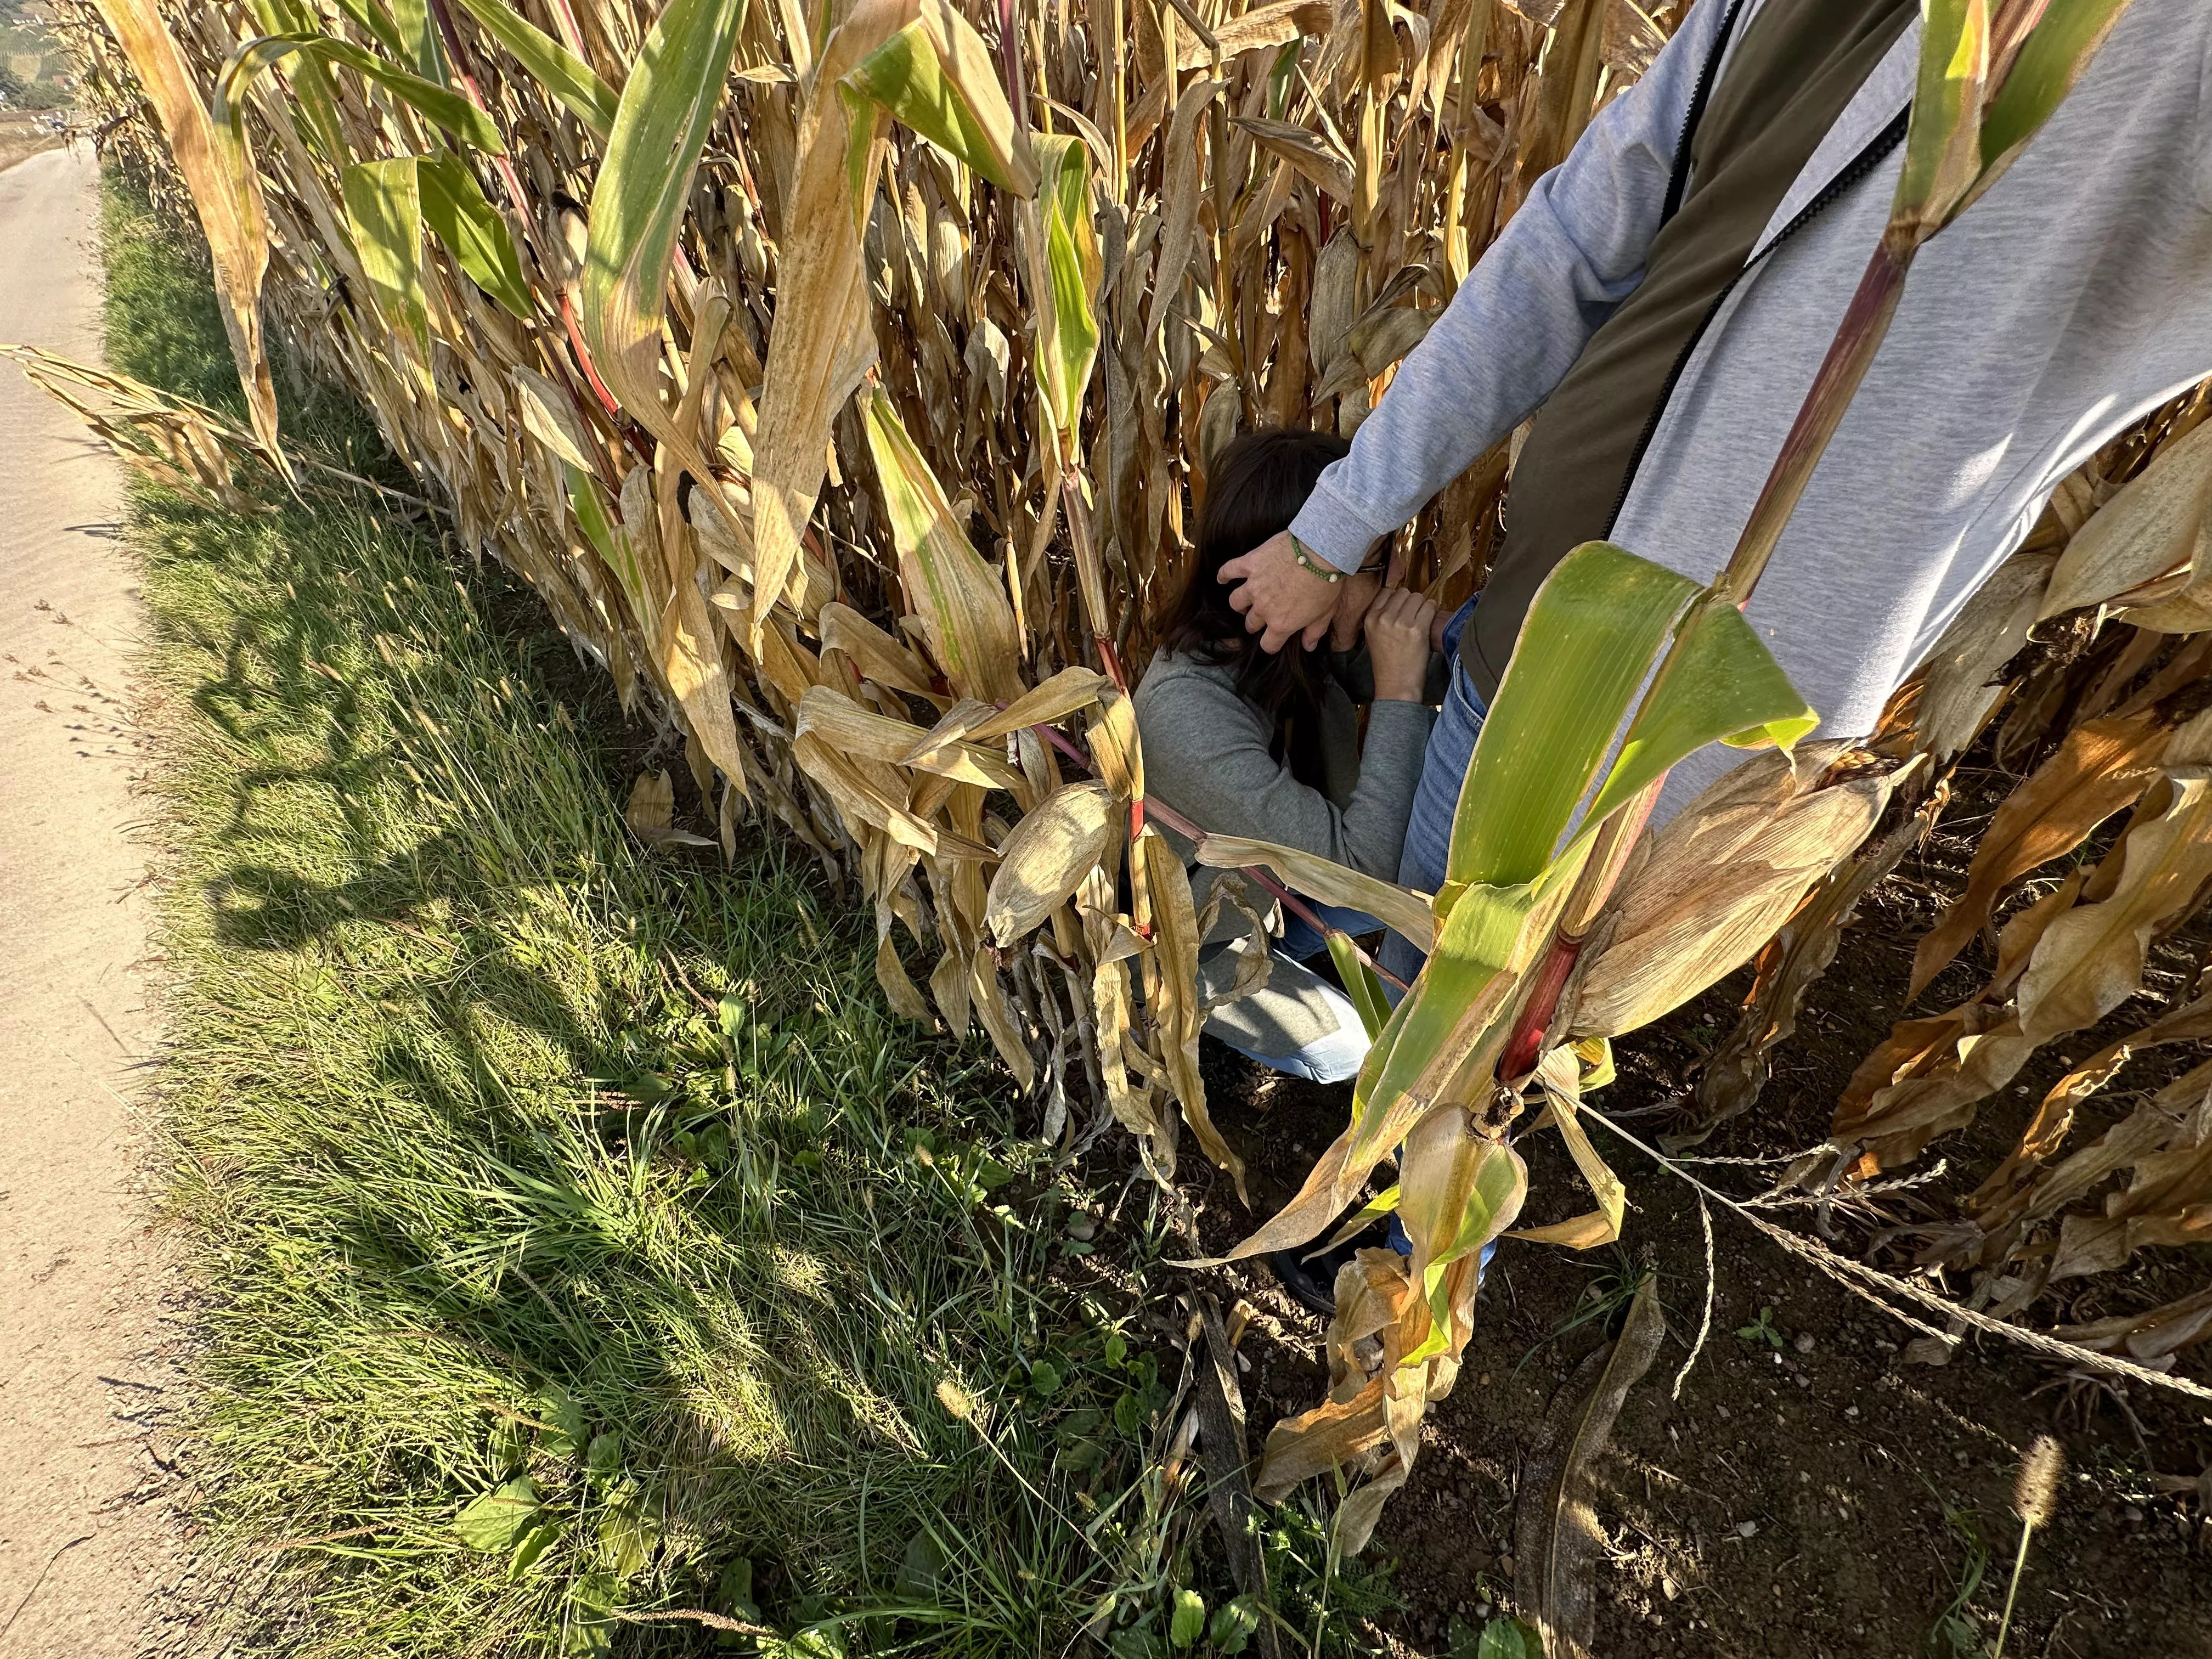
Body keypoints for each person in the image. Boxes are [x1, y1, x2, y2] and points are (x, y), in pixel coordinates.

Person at [1218, 0, 2212, 984]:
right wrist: (1334, 537)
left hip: (1679, 758)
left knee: (1487, 1055)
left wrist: (1388, 676)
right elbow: (1571, 241)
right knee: (1421, 1008)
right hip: (1515, 644)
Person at [1136, 428, 1442, 1087]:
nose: (1396, 578)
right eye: (1377, 562)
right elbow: (1369, 872)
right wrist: (1400, 688)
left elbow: (1447, 672)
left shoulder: (1287, 641)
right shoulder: (1189, 719)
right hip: (1199, 947)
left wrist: (1436, 637)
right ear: (1299, 576)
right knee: (1366, 1055)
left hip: (1276, 894)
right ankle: (1172, 1015)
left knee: (1441, 868)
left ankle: (1294, 949)